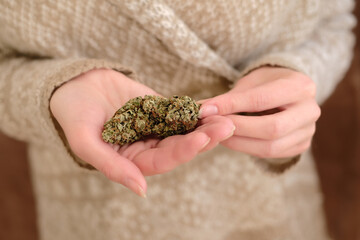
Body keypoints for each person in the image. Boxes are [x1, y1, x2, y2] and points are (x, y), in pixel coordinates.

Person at [0, 0, 356, 239]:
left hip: (271, 200)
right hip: (99, 211)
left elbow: (334, 22)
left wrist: (293, 77)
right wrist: (52, 91)